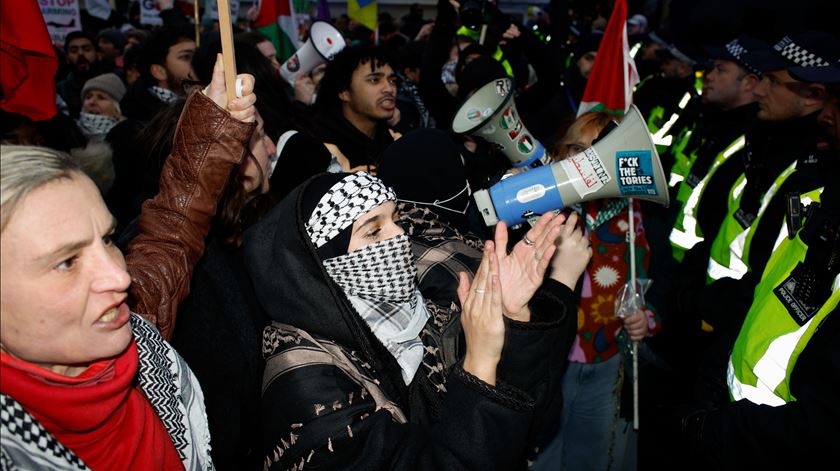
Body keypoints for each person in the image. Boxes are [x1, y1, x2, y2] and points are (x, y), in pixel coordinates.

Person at [244, 170, 581, 469]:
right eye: (373, 233)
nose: (399, 237)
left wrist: (512, 320)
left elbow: (530, 422)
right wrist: (479, 363)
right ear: (322, 265)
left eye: (396, 220)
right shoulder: (308, 385)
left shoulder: (424, 313)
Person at [0, 145, 212, 469]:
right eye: (67, 262)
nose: (119, 277)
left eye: (108, 239)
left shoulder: (146, 349)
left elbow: (171, 237)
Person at [674, 61, 840, 471]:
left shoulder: (809, 177)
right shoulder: (820, 194)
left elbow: (826, 421)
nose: (828, 117)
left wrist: (720, 429)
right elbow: (762, 292)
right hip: (726, 408)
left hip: (762, 445)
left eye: (772, 81)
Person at [534, 111, 661, 471]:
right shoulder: (545, 205)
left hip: (605, 357)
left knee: (588, 457)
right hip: (551, 361)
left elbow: (645, 277)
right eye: (579, 150)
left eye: (601, 152)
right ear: (562, 152)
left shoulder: (633, 212)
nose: (591, 163)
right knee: (543, 456)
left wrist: (645, 316)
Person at [314, 44, 399, 173]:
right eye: (374, 80)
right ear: (344, 92)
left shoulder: (396, 140)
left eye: (392, 80)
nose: (389, 89)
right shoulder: (320, 147)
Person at [121, 25, 197, 122]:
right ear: (159, 72)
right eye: (186, 57)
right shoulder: (139, 127)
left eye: (197, 55)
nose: (197, 62)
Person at [57, 31, 111, 118]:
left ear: (97, 54)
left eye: (87, 49)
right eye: (74, 51)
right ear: (67, 57)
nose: (80, 54)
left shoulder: (113, 84)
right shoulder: (61, 90)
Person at [76, 73, 127, 142]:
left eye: (101, 98)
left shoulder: (127, 139)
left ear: (117, 108)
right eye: (88, 97)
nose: (92, 102)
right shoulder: (69, 135)